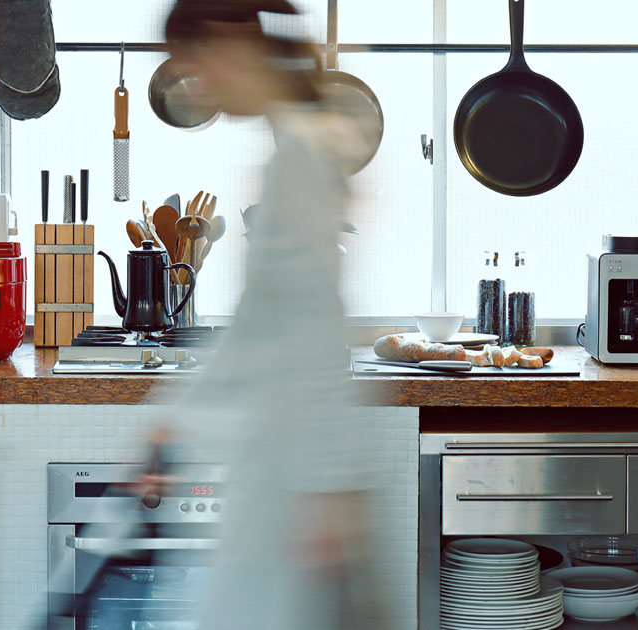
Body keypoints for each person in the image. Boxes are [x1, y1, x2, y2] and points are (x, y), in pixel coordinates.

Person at [139, 1, 396, 629]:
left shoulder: (300, 159)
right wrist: (171, 419)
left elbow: (312, 332)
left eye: (193, 63)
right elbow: (260, 324)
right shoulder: (296, 146)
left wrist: (325, 489)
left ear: (231, 43)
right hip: (282, 482)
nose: (195, 84)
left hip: (295, 493)